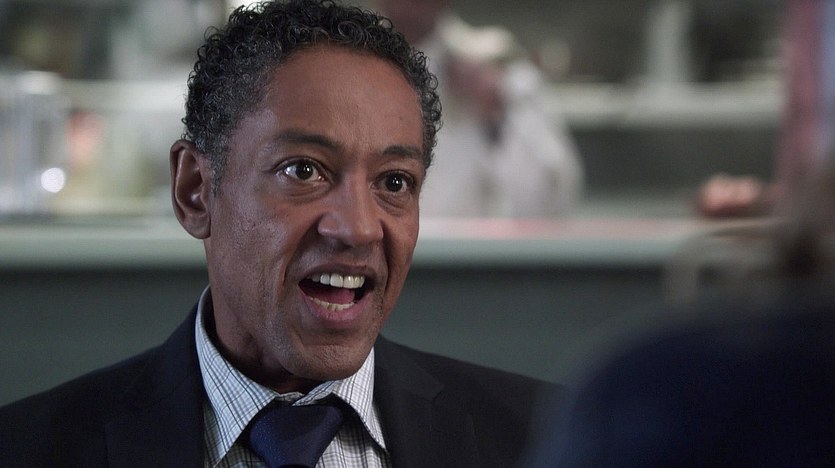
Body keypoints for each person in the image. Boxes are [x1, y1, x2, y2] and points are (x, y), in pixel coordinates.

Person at [0, 1, 556, 467]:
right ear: (195, 191)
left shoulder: (545, 439)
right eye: (304, 171)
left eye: (394, 181)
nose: (359, 228)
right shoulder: (29, 448)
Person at [374, 0, 583, 218]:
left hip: (468, 237)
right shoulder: (351, 70)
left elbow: (551, 198)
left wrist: (497, 110)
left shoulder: (501, 70)